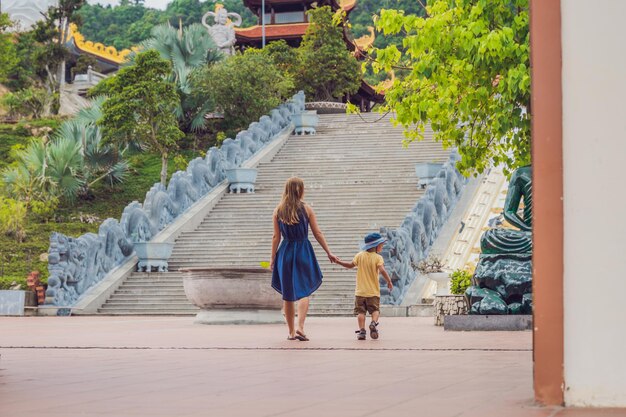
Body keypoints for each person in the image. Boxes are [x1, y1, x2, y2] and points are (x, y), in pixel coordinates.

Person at [270, 177, 338, 341]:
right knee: (304, 290)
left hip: (285, 252)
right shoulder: (306, 209)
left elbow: (275, 237)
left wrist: (273, 259)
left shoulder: (278, 210)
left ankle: (291, 332)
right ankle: (301, 327)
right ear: (300, 190)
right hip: (303, 251)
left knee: (288, 294)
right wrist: (329, 252)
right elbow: (317, 233)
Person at [335, 233, 393, 340]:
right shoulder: (378, 258)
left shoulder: (359, 255)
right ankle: (373, 323)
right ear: (375, 246)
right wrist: (389, 281)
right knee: (375, 311)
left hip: (360, 292)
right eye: (381, 245)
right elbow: (382, 270)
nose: (382, 247)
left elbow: (350, 265)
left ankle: (362, 331)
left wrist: (339, 262)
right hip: (373, 292)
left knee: (361, 312)